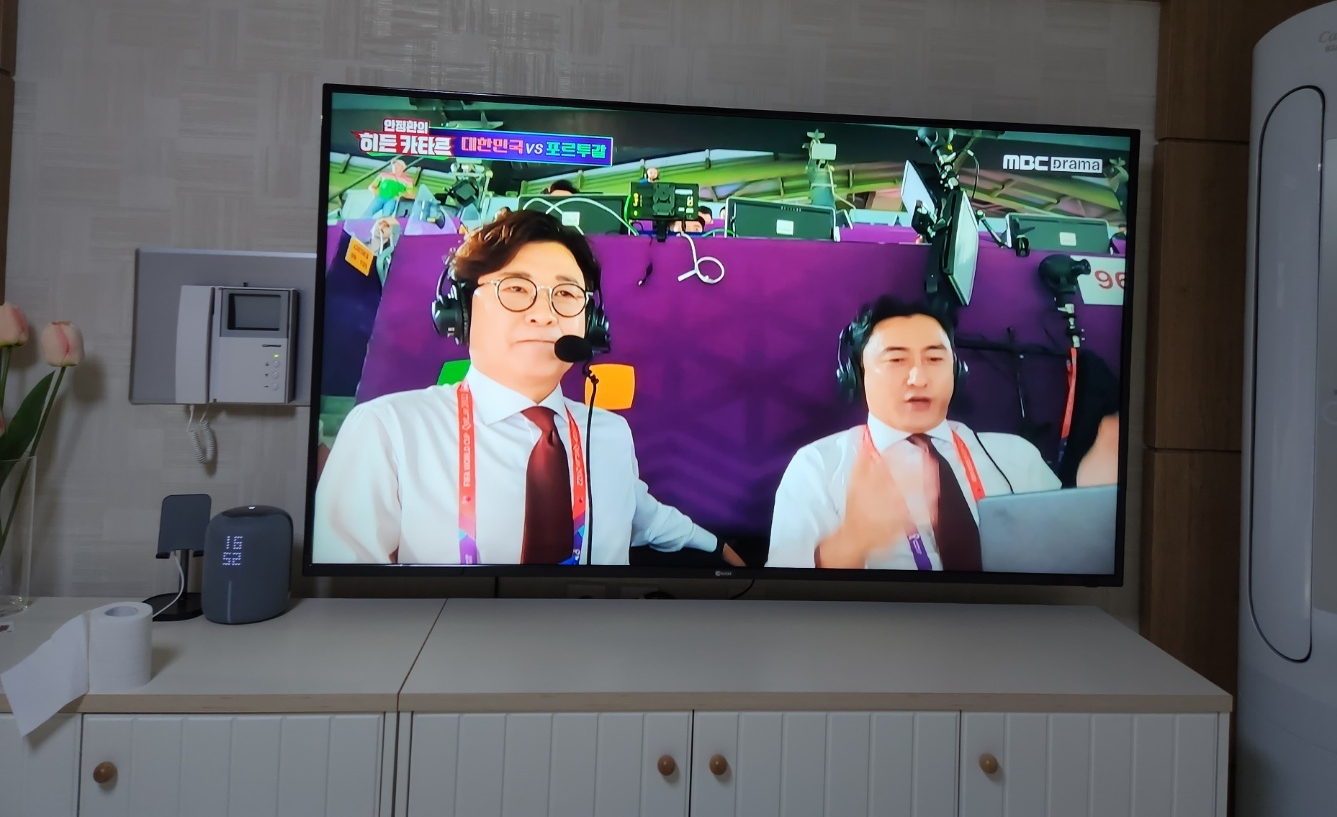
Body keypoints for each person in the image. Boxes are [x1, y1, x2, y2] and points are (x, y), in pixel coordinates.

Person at [314, 209, 735, 565]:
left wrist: (716, 548)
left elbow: (637, 510)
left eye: (566, 294)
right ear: (461, 312)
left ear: (591, 324)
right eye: (516, 288)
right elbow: (344, 598)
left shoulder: (608, 434)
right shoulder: (388, 431)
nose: (544, 313)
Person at [766, 297, 1060, 570]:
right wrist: (851, 543)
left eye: (934, 359)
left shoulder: (1017, 457)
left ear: (957, 372)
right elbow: (783, 594)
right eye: (896, 360)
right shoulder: (818, 466)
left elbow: (1068, 555)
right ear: (857, 375)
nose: (918, 379)